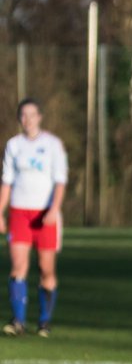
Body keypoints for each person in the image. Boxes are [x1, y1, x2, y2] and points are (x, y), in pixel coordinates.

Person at [1, 98, 67, 337]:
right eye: (23, 115)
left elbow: (60, 181)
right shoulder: (13, 145)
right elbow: (6, 182)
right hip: (19, 212)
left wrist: (53, 209)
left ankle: (44, 321)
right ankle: (18, 321)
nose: (27, 119)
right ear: (19, 119)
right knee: (18, 265)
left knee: (45, 269)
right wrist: (0, 211)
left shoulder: (52, 145)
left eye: (32, 114)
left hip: (45, 214)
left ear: (40, 117)